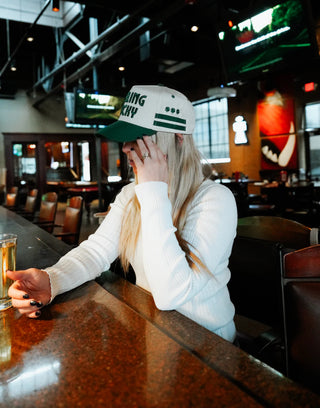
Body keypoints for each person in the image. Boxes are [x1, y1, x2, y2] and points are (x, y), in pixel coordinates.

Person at [7, 85, 238, 342]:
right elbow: (96, 252)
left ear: (178, 138)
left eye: (138, 137)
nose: (126, 147)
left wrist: (152, 191)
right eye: (126, 137)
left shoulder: (215, 200)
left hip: (211, 346)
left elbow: (170, 294)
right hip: (157, 335)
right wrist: (52, 280)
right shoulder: (132, 194)